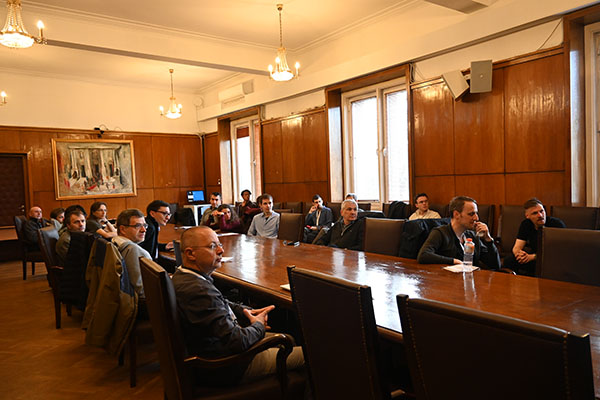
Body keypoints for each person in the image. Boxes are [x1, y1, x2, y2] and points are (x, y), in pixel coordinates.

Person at [172, 226, 304, 385]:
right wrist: (258, 325)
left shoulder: (184, 276)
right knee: (309, 355)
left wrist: (246, 311)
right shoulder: (198, 290)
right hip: (227, 366)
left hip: (217, 350)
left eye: (219, 244)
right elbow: (238, 341)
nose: (221, 250)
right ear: (190, 254)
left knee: (289, 339)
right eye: (212, 246)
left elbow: (220, 302)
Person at [417, 196, 500, 269]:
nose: (476, 218)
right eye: (471, 214)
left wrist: (488, 239)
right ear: (456, 214)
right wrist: (453, 261)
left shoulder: (472, 235)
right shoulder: (440, 233)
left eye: (476, 213)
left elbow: (495, 265)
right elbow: (423, 255)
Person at [503, 198, 566, 276]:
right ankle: (519, 282)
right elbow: (516, 247)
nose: (540, 215)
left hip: (553, 259)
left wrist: (533, 257)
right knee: (509, 261)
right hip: (534, 258)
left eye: (541, 211)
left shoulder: (557, 224)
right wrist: (520, 255)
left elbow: (559, 252)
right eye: (535, 213)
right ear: (527, 216)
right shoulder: (526, 224)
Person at [113, 209, 152, 306]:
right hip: (142, 304)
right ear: (122, 229)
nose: (144, 230)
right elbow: (140, 289)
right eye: (137, 226)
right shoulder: (132, 250)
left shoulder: (114, 242)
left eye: (144, 225)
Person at [139, 200, 175, 272]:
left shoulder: (152, 225)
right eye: (164, 214)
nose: (168, 217)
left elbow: (149, 244)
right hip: (149, 266)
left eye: (169, 214)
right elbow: (141, 249)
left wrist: (165, 246)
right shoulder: (149, 228)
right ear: (152, 213)